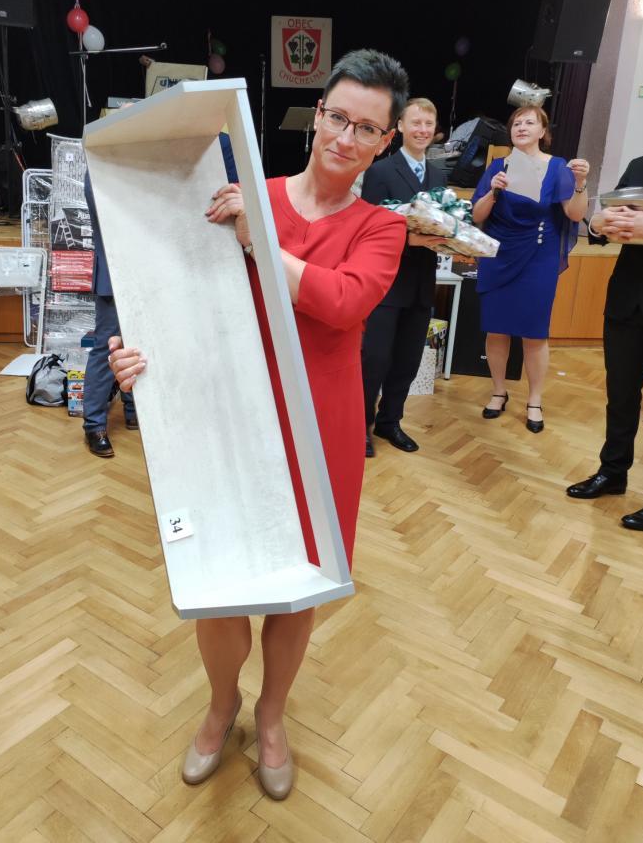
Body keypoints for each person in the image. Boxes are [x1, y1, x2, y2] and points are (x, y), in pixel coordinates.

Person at [108, 49, 409, 799]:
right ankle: (222, 707)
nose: (345, 137)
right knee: (219, 580)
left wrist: (257, 241)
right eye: (337, 117)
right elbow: (177, 290)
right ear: (318, 115)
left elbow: (341, 302)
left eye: (366, 129)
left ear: (386, 142)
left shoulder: (380, 229)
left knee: (297, 587)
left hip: (321, 429)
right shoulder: (246, 194)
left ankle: (271, 716)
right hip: (223, 415)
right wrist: (138, 354)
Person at [471, 106, 589, 431]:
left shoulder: (558, 167)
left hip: (539, 256)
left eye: (529, 122)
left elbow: (575, 214)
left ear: (542, 131)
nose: (521, 127)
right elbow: (478, 215)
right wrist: (493, 191)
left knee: (534, 332)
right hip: (499, 254)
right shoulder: (498, 166)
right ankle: (498, 391)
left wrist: (580, 183)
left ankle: (535, 399)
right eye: (516, 123)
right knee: (496, 328)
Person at [360, 97, 448, 457]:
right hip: (386, 283)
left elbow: (444, 224)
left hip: (423, 283)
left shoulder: (439, 175)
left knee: (408, 360)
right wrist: (408, 238)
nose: (422, 130)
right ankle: (361, 426)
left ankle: (390, 421)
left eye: (428, 124)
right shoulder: (380, 172)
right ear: (399, 127)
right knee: (374, 360)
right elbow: (367, 228)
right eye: (415, 123)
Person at [566, 152, 643, 530]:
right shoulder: (640, 165)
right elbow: (609, 218)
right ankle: (613, 471)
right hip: (627, 299)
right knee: (621, 396)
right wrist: (599, 224)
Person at [82, 169, 138, 457]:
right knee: (107, 345)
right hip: (115, 274)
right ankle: (94, 425)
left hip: (147, 272)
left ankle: (133, 410)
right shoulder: (100, 163)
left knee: (138, 342)